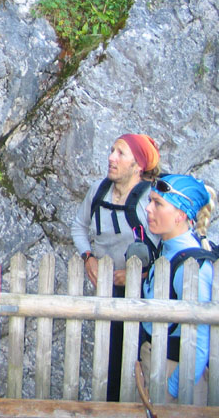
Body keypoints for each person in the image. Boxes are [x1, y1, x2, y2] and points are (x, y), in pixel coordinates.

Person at [70, 133, 161, 401]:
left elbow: (165, 244)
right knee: (108, 361)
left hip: (145, 296)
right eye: (112, 150)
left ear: (138, 165)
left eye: (121, 153)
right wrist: (88, 257)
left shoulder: (149, 200)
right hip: (106, 293)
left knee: (137, 361)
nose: (111, 157)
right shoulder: (99, 191)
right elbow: (79, 226)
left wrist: (141, 275)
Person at [140, 174, 215, 404]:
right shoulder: (167, 249)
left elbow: (199, 344)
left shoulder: (192, 266)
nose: (148, 209)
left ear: (180, 215)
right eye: (150, 201)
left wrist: (171, 391)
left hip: (175, 375)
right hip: (155, 362)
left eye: (158, 203)